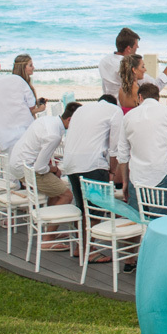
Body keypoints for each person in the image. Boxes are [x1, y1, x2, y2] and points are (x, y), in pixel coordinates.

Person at [62, 94, 124, 258]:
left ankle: (80, 248)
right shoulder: (115, 111)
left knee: (83, 208)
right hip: (91, 164)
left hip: (70, 162)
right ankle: (89, 252)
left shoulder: (82, 110)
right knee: (96, 210)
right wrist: (112, 171)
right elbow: (114, 146)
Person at [117, 83, 167, 213]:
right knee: (160, 224)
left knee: (137, 223)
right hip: (161, 173)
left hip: (136, 177)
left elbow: (123, 154)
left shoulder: (128, 117)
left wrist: (125, 181)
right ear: (157, 98)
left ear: (140, 97)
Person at [7, 102, 79, 209]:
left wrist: (53, 170)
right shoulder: (54, 135)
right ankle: (46, 224)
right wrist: (54, 169)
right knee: (67, 195)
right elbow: (39, 168)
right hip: (26, 169)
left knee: (56, 187)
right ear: (69, 119)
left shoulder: (45, 119)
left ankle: (47, 216)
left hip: (15, 164)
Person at [0, 56, 38, 155]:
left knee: (12, 169)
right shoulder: (16, 79)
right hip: (28, 132)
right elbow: (31, 105)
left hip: (5, 140)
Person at [99, 27, 167, 98]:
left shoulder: (104, 61)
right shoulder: (130, 66)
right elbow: (156, 87)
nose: (138, 47)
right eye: (136, 45)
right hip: (126, 106)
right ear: (129, 48)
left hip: (108, 103)